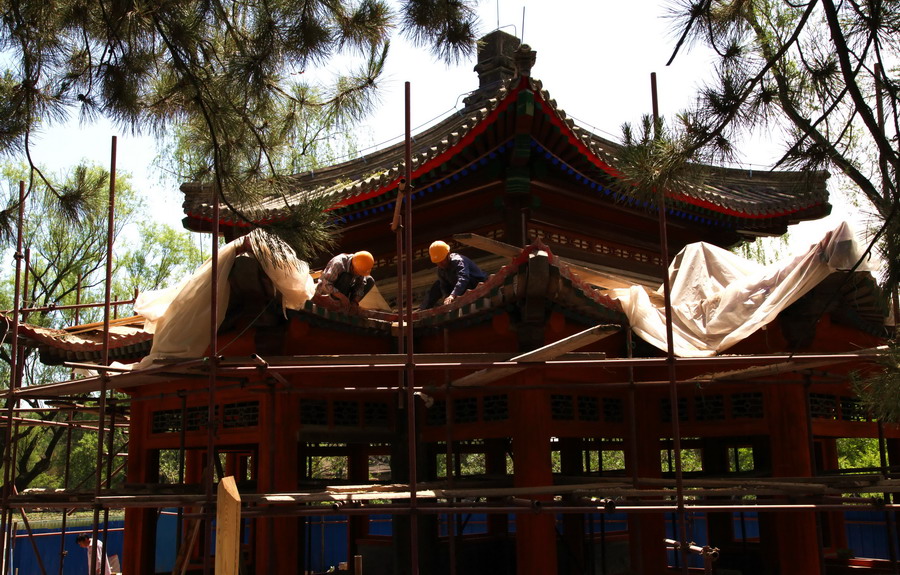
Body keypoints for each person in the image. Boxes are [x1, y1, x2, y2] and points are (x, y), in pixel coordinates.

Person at [420, 241, 487, 310]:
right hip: (459, 289)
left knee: (463, 280)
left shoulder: (458, 261)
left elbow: (463, 278)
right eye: (438, 262)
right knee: (437, 285)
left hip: (475, 284)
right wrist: (447, 297)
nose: (440, 264)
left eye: (442, 261)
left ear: (448, 254)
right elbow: (444, 285)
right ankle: (423, 310)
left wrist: (452, 295)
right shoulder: (440, 269)